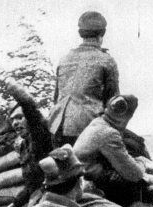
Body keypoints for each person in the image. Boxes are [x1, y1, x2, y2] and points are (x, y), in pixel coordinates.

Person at [0, 78, 128, 207]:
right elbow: (31, 186)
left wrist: (12, 86)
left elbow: (31, 108)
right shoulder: (24, 148)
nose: (15, 123)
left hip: (66, 195)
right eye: (12, 120)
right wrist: (13, 205)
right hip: (45, 202)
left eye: (20, 117)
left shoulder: (40, 136)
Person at [73, 94, 153, 207]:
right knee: (136, 176)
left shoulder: (99, 123)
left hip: (84, 177)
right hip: (89, 182)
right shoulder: (108, 133)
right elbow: (133, 174)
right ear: (127, 116)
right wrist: (143, 165)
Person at [48, 11, 119, 147]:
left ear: (81, 33)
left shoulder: (64, 59)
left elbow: (56, 97)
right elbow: (113, 102)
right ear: (101, 35)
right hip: (88, 128)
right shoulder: (106, 60)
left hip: (57, 128)